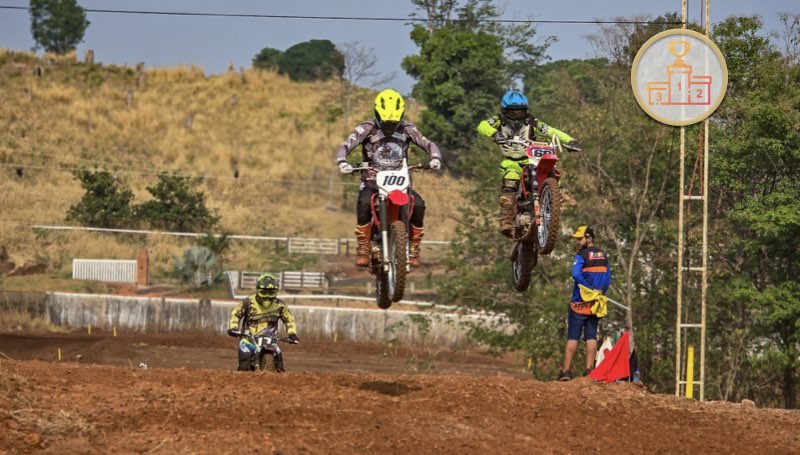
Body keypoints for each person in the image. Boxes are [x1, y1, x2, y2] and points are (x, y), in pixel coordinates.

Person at [336, 88, 442, 268]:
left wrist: (435, 158)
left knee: (418, 205)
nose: (389, 127)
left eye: (393, 123)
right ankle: (363, 247)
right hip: (372, 181)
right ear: (377, 113)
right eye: (386, 123)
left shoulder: (408, 128)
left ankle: (413, 249)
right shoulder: (366, 128)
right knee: (363, 203)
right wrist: (342, 162)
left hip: (400, 182)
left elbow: (428, 143)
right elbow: (346, 145)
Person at [477, 89, 581, 237]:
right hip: (511, 162)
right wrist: (494, 133)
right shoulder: (498, 120)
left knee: (550, 172)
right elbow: (482, 125)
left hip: (530, 159)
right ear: (505, 111)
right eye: (513, 112)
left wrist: (569, 140)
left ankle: (551, 205)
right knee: (511, 180)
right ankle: (506, 220)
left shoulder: (532, 122)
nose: (517, 115)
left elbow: (551, 131)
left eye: (520, 111)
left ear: (525, 111)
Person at [558, 225, 612, 381]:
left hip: (579, 304)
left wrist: (587, 289)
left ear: (589, 239)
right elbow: (607, 278)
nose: (577, 241)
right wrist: (600, 292)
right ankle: (589, 372)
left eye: (580, 238)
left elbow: (575, 274)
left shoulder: (581, 255)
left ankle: (566, 372)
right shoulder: (603, 255)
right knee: (591, 337)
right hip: (595, 303)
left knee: (573, 337)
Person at [228, 273, 299, 372]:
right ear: (258, 290)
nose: (267, 297)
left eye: (271, 293)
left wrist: (292, 334)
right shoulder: (247, 303)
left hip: (270, 341)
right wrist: (233, 327)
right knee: (244, 366)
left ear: (276, 292)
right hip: (248, 340)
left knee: (279, 366)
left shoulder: (280, 305)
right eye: (264, 292)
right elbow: (235, 314)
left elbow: (289, 319)